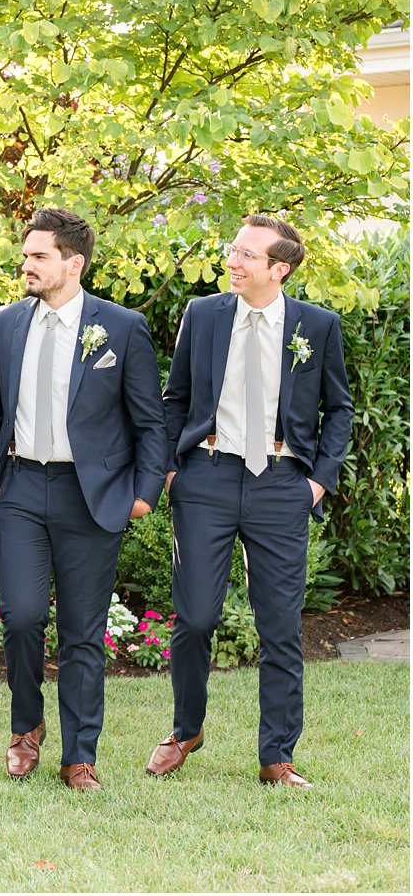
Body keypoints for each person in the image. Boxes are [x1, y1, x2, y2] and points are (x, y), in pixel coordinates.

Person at [148, 214, 352, 788]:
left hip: (282, 485)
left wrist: (318, 481)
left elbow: (339, 410)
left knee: (281, 626)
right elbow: (176, 397)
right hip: (207, 479)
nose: (232, 261)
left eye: (246, 254)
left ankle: (276, 756)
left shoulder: (319, 325)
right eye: (232, 250)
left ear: (279, 268)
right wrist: (169, 469)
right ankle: (185, 730)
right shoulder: (204, 314)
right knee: (194, 619)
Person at [0, 207, 167, 791]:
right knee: (20, 617)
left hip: (92, 495)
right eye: (26, 254)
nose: (27, 264)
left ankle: (79, 755)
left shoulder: (122, 327)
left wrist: (142, 494)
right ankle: (26, 726)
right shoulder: (5, 323)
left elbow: (150, 422)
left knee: (84, 631)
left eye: (39, 255)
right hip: (16, 489)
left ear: (74, 262)